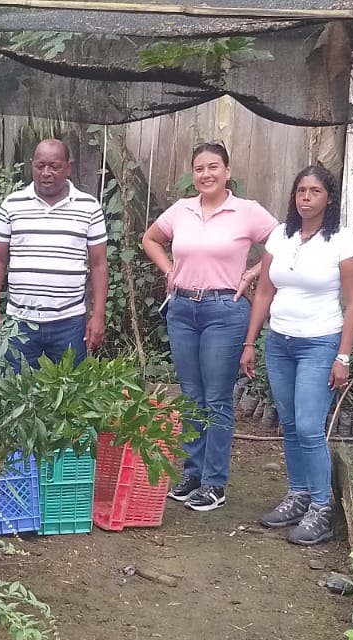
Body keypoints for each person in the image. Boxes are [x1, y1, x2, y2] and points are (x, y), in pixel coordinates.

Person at [141, 142, 278, 512]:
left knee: (216, 399)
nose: (206, 174)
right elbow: (150, 239)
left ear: (227, 171)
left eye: (214, 167)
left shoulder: (246, 211)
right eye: (199, 168)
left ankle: (215, 483)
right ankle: (193, 473)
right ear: (193, 174)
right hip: (182, 309)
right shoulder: (181, 210)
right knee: (191, 397)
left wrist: (251, 273)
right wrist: (169, 270)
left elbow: (283, 242)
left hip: (224, 311)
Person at [240, 165, 353, 546]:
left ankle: (322, 510)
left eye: (314, 191)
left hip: (319, 343)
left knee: (310, 426)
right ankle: (298, 495)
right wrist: (250, 342)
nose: (306, 198)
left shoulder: (343, 242)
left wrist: (343, 357)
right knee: (291, 424)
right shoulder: (281, 236)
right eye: (300, 191)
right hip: (280, 343)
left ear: (329, 197)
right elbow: (265, 291)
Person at [0, 139, 109, 369]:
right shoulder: (12, 205)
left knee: (72, 389)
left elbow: (99, 264)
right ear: (31, 165)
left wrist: (98, 315)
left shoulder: (89, 207)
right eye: (40, 166)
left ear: (68, 167)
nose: (46, 173)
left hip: (69, 323)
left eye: (54, 166)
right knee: (13, 387)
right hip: (19, 323)